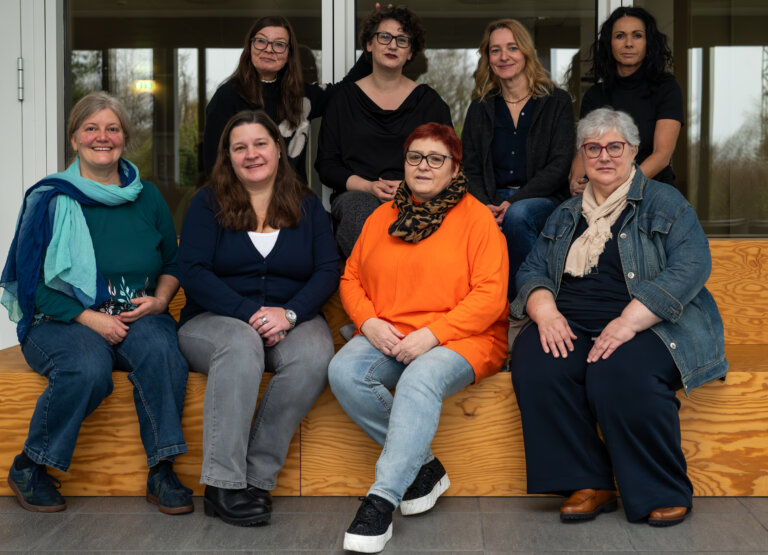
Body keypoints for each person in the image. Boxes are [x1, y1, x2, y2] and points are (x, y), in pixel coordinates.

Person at [509, 107, 727, 527]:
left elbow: (692, 265)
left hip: (650, 323)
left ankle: (662, 489)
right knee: (538, 362)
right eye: (593, 148)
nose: (604, 156)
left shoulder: (664, 202)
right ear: (582, 155)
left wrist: (629, 321)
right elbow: (532, 269)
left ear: (633, 151)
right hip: (572, 319)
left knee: (617, 371)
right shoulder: (566, 213)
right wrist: (546, 312)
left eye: (615, 146)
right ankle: (589, 482)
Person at [0, 92, 192, 515]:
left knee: (162, 351)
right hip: (61, 320)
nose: (102, 137)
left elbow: (173, 263)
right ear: (74, 138)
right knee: (87, 367)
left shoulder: (148, 196)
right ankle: (31, 466)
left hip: (139, 315)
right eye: (91, 128)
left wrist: (161, 301)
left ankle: (162, 470)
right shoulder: (49, 199)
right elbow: (32, 284)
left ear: (124, 138)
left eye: (112, 128)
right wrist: (92, 320)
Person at [329, 123, 508, 552]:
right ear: (404, 163)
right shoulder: (382, 217)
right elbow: (351, 278)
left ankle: (381, 500)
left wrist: (433, 334)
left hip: (465, 336)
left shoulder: (477, 219)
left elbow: (490, 296)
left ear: (454, 168)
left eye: (435, 159)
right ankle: (424, 467)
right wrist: (368, 322)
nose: (423, 166)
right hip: (392, 330)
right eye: (415, 157)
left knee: (419, 378)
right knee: (343, 371)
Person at [178, 110, 339, 527]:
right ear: (227, 156)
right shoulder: (207, 203)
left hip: (291, 316)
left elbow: (328, 269)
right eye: (240, 147)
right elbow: (192, 271)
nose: (251, 154)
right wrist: (248, 313)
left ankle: (254, 479)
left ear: (279, 149)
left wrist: (290, 313)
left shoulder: (306, 204)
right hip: (213, 320)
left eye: (260, 144)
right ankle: (222, 485)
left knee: (315, 355)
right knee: (240, 343)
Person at [315, 6, 452, 258]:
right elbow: (327, 165)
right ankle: (380, 281)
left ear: (410, 51)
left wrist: (413, 186)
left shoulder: (430, 103)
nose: (393, 45)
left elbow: (448, 162)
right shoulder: (343, 100)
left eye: (402, 40)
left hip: (418, 193)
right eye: (384, 37)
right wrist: (368, 186)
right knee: (362, 212)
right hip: (357, 194)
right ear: (369, 44)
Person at [462, 18, 574, 299]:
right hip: (489, 199)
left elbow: (560, 164)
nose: (504, 57)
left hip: (541, 199)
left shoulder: (556, 101)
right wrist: (487, 206)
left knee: (517, 215)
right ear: (488, 58)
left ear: (526, 52)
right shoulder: (480, 107)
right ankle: (480, 306)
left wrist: (512, 203)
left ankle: (524, 302)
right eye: (495, 50)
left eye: (512, 48)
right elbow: (470, 168)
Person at [202, 15, 370, 181]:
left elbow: (347, 87)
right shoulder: (227, 96)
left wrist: (374, 39)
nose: (269, 49)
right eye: (261, 41)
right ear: (250, 46)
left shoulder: (301, 95)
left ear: (289, 54)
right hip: (244, 196)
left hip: (293, 196)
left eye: (279, 44)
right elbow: (215, 165)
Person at [571, 6, 683, 195]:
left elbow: (662, 155)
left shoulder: (666, 88)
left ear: (648, 42)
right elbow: (584, 152)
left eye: (637, 35)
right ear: (610, 43)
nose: (629, 43)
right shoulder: (595, 95)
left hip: (652, 189)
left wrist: (622, 187)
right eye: (620, 36)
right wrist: (576, 181)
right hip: (604, 192)